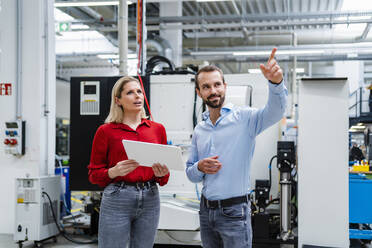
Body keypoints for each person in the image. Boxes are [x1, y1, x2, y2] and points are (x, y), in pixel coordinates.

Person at [186, 48, 287, 248]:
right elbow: (191, 173)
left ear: (225, 86)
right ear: (199, 92)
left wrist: (276, 83)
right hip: (206, 212)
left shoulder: (245, 118)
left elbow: (276, 112)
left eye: (217, 85)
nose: (213, 91)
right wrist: (199, 167)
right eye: (206, 87)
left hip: (234, 212)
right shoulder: (200, 129)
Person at [88, 76, 170, 248]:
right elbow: (94, 175)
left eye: (139, 91)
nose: (137, 96)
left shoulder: (157, 129)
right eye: (130, 93)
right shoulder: (106, 131)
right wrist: (113, 172)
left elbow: (164, 177)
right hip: (118, 197)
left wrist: (162, 175)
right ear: (118, 100)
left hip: (150, 197)